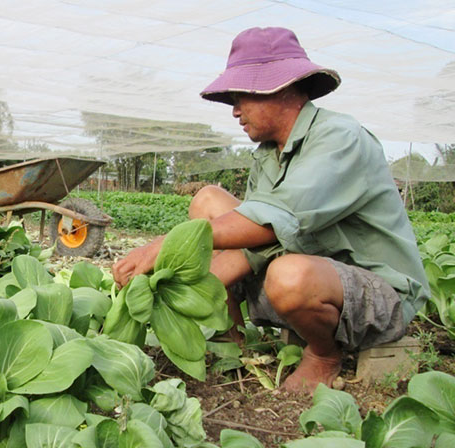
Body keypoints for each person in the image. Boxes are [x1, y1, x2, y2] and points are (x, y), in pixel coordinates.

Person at [112, 27, 429, 393]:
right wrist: (188, 281)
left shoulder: (339, 137)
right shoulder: (268, 155)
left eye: (241, 97)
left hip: (377, 294)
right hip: (308, 265)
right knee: (209, 201)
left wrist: (164, 247)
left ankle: (324, 355)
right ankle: (229, 340)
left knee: (287, 276)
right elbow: (260, 240)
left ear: (280, 89)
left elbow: (274, 223)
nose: (234, 111)